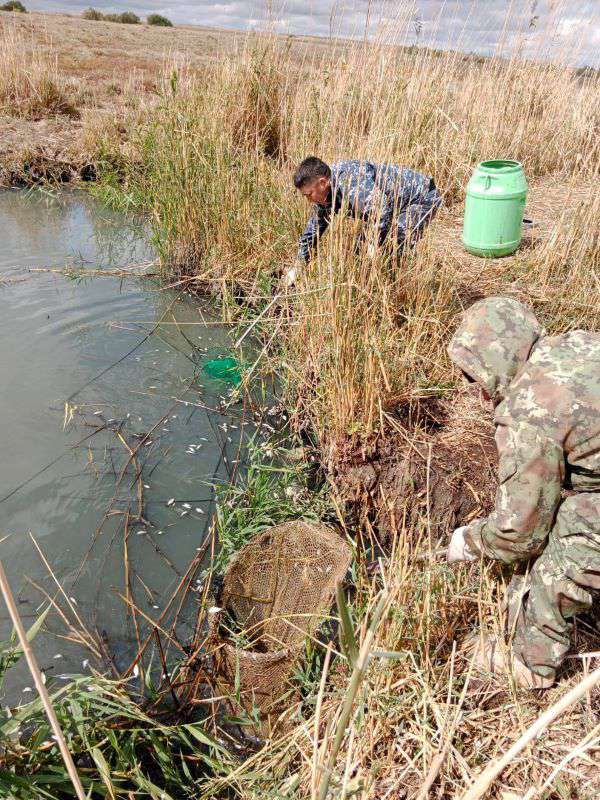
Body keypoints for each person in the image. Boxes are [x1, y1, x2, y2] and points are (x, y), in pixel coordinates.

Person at [447, 296, 600, 689]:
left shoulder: (529, 413)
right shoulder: (573, 343)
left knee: (575, 534)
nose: (473, 390)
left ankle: (531, 663)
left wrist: (471, 540)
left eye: (472, 375)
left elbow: (521, 534)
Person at [283, 157, 442, 286]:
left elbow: (381, 209)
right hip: (394, 204)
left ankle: (396, 288)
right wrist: (299, 264)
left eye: (309, 195)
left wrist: (373, 243)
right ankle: (370, 284)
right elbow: (314, 230)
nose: (309, 200)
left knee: (391, 244)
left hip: (421, 198)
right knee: (359, 248)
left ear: (323, 183)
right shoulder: (324, 193)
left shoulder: (351, 183)